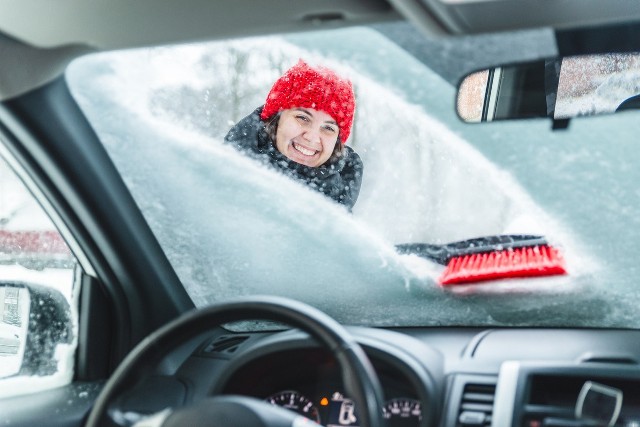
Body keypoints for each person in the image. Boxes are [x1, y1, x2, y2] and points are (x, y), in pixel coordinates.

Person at [224, 59, 363, 210]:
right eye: (303, 118)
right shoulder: (222, 177)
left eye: (328, 128)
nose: (312, 137)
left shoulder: (338, 220)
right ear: (276, 119)